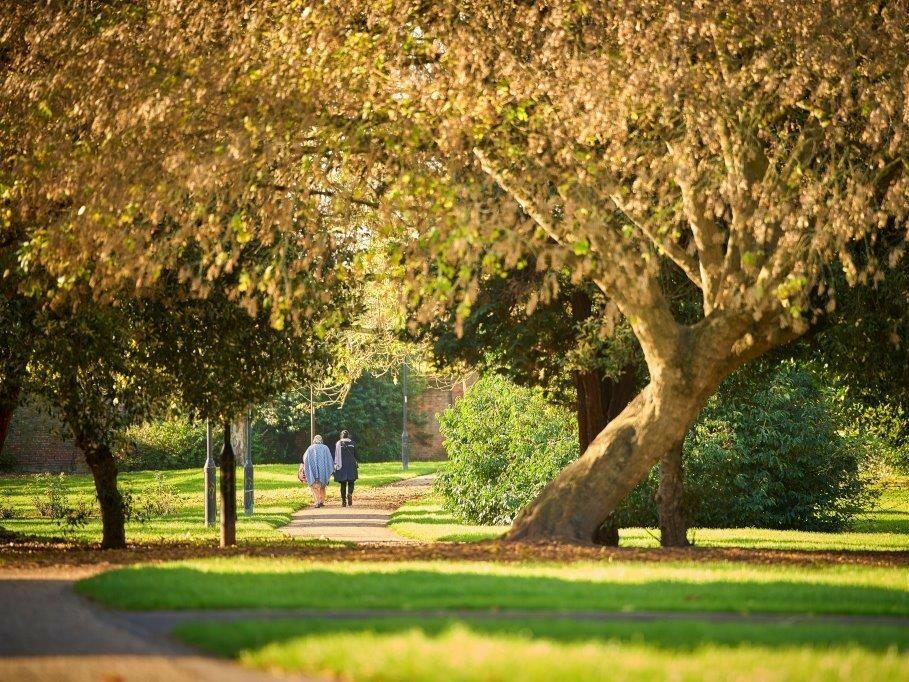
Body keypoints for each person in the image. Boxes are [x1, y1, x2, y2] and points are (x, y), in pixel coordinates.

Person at [302, 435, 334, 508]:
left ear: (314, 440)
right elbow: (330, 459)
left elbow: (305, 458)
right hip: (323, 472)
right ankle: (322, 501)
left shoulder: (310, 448)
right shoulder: (325, 448)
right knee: (322, 486)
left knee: (315, 487)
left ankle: (318, 501)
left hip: (313, 472)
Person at [334, 429, 359, 507]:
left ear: (341, 435)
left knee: (343, 484)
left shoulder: (338, 443)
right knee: (351, 482)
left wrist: (336, 466)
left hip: (342, 466)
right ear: (348, 435)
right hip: (351, 465)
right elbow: (356, 455)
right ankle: (350, 493)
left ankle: (344, 501)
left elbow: (336, 455)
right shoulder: (352, 443)